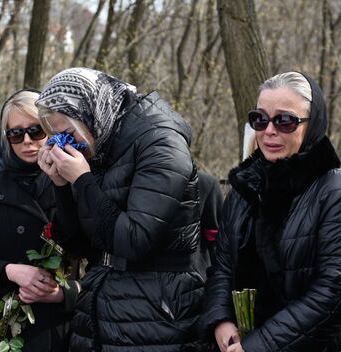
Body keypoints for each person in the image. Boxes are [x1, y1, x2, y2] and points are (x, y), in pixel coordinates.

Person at [35, 67, 208, 351]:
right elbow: (78, 246)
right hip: (101, 309)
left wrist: (81, 178)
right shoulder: (103, 142)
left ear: (92, 113)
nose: (62, 145)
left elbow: (134, 239)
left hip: (156, 316)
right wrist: (61, 185)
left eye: (67, 133)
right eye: (54, 137)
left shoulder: (161, 142)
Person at [198, 72, 341, 352]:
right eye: (260, 119)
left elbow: (332, 289)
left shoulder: (332, 189)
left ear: (313, 125)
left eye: (285, 120)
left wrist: (257, 345)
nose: (269, 131)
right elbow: (221, 267)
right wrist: (221, 321)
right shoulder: (245, 188)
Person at [0, 89, 80, 351]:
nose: (27, 141)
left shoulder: (75, 184)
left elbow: (93, 259)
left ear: (50, 129)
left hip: (57, 332)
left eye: (35, 130)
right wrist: (9, 271)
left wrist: (63, 294)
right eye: (15, 134)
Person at [198, 170, 223, 265]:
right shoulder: (206, 182)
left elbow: (215, 237)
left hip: (192, 271)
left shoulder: (206, 183)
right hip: (192, 273)